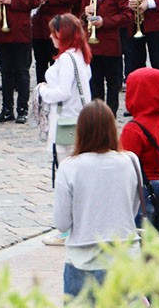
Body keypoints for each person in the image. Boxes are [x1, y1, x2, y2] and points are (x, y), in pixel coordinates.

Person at [54, 100, 141, 299]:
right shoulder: (130, 161)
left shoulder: (69, 167)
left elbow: (62, 223)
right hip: (125, 256)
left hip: (82, 259)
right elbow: (132, 209)